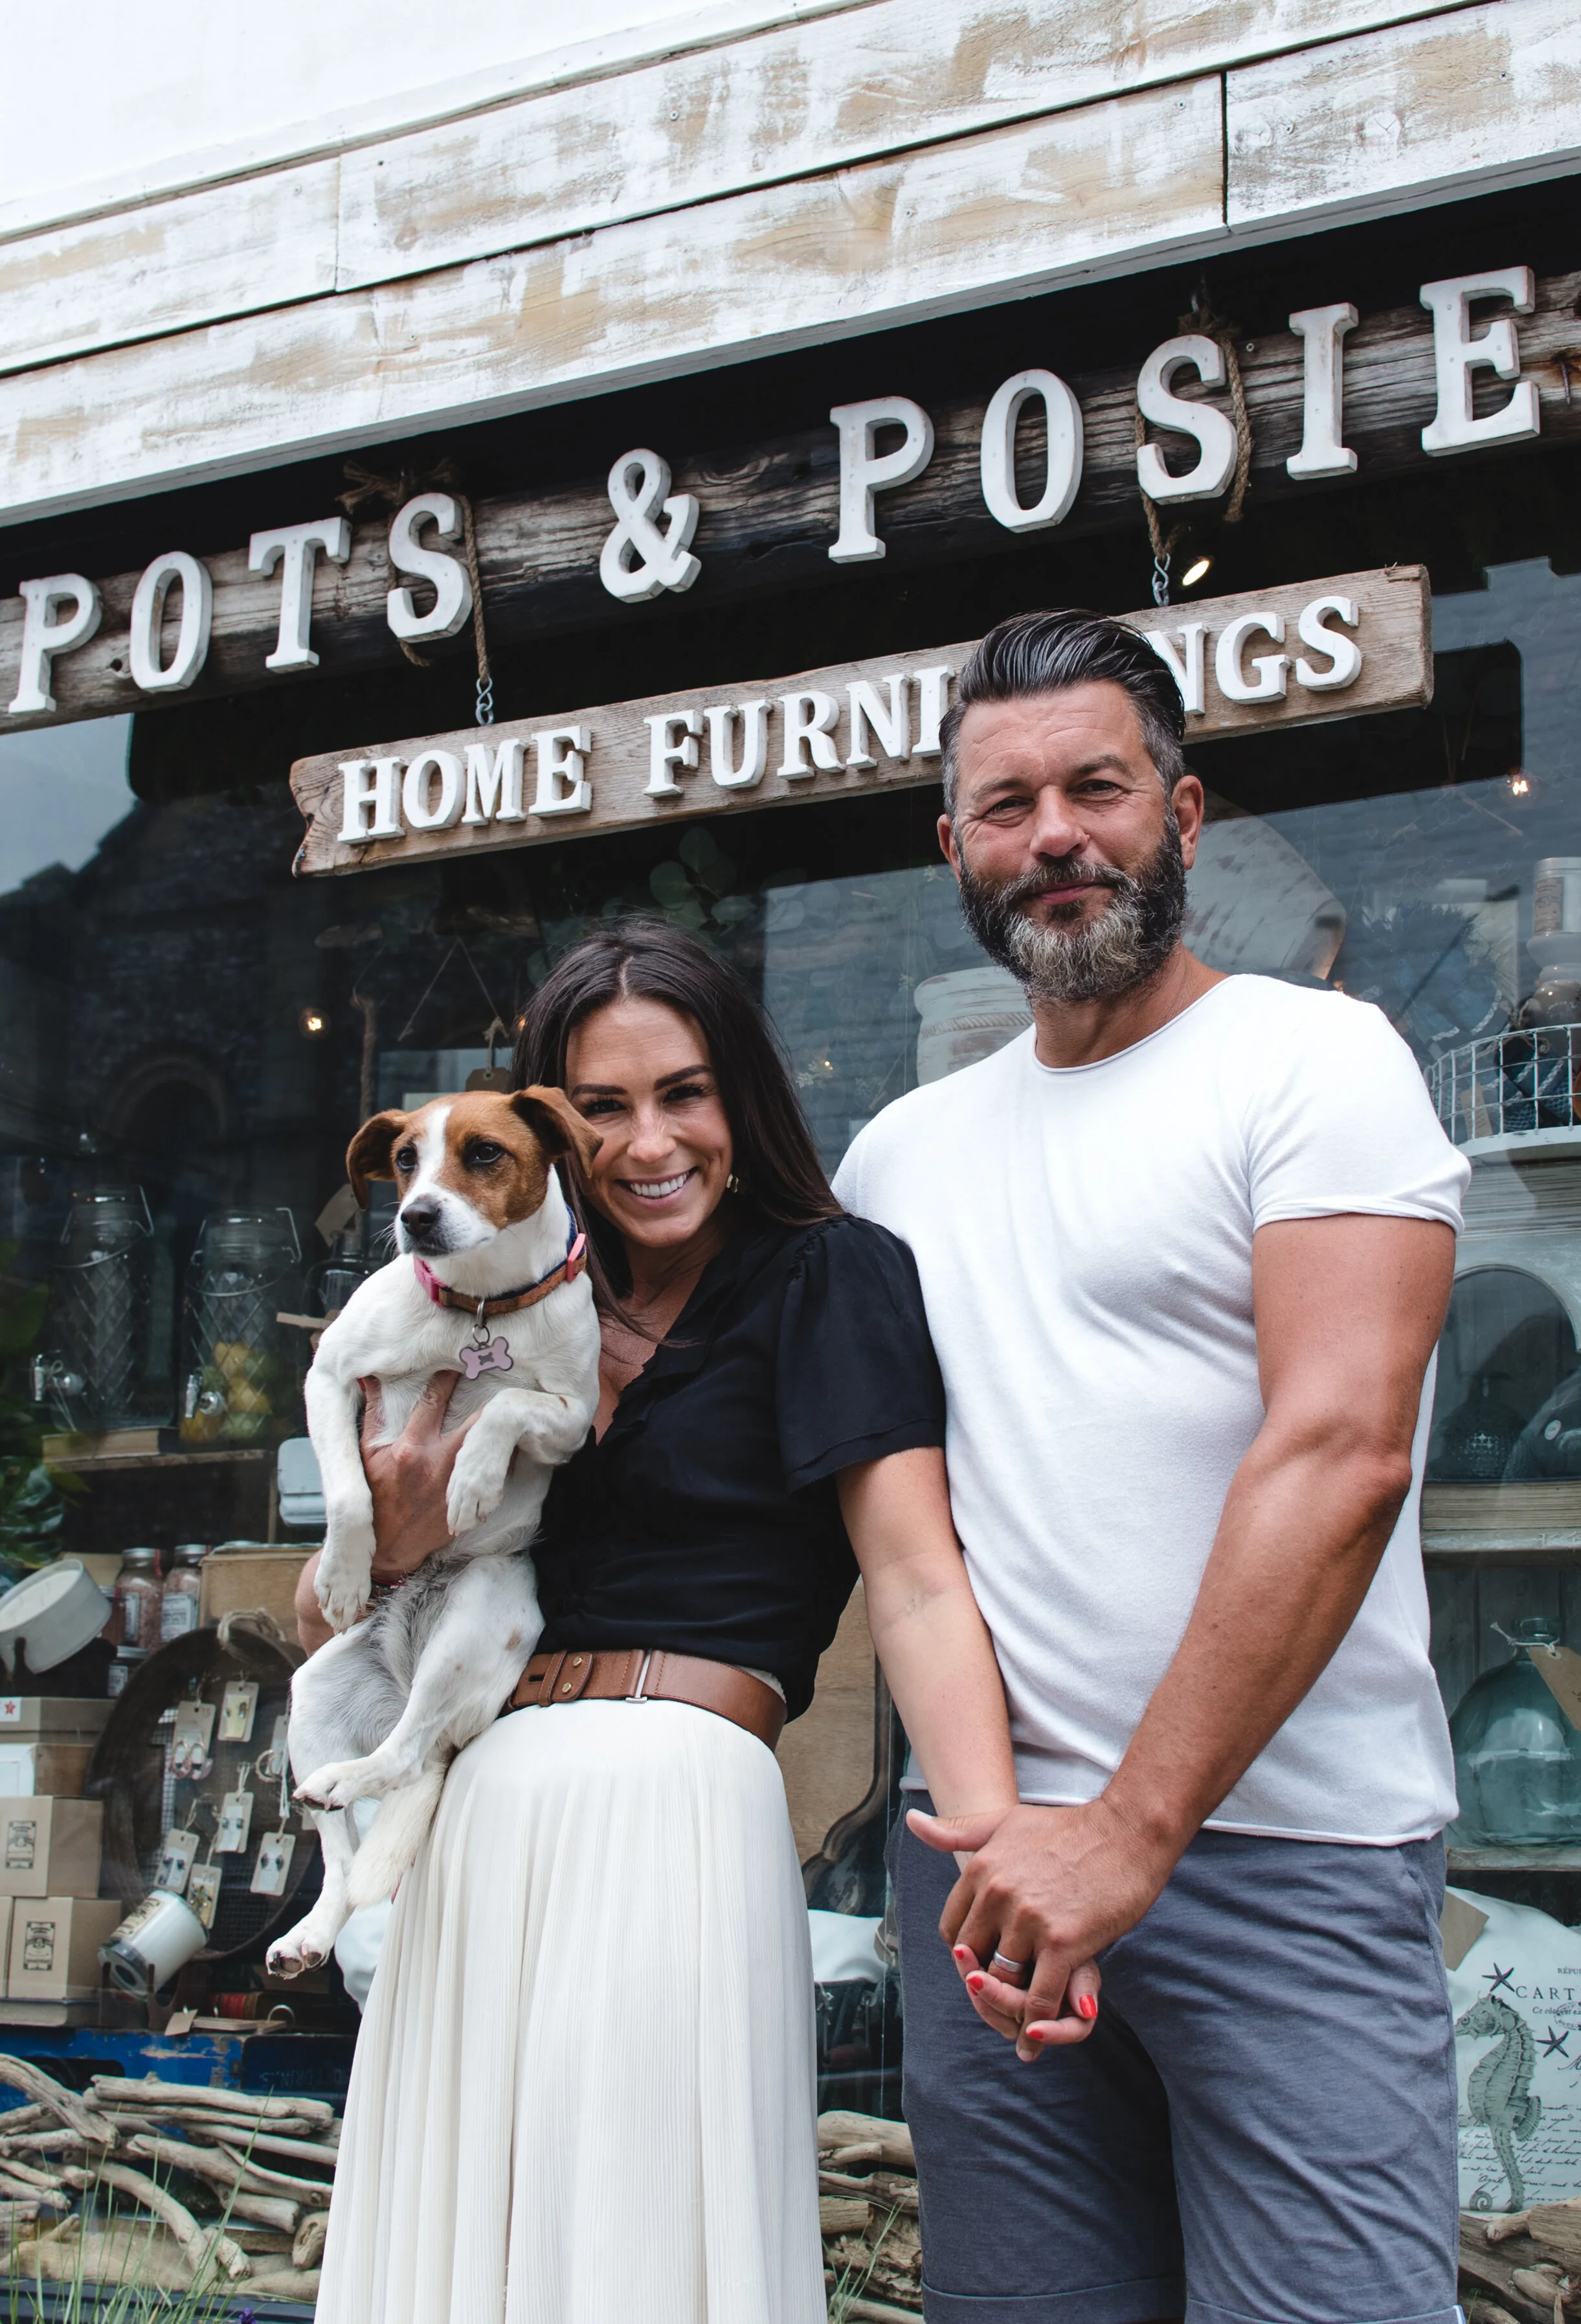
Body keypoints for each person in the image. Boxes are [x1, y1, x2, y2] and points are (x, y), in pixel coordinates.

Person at [835, 609, 1470, 2324]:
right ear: (952, 847)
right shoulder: (896, 1158)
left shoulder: (1311, 1059)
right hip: (987, 1873)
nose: (1053, 834)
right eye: (1005, 803)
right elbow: (896, 1537)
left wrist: (1129, 1830)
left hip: (1284, 1851)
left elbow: (1340, 1452)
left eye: (1096, 788)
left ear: (1180, 814)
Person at [305, 920, 1024, 2324]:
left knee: (634, 2253)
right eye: (604, 1106)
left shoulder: (828, 1275)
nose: (647, 1143)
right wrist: (391, 1525)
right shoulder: (492, 1301)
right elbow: (328, 1613)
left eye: (682, 1093)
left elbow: (917, 1581)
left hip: (673, 1800)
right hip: (476, 1812)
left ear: (739, 1096)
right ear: (550, 1132)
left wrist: (993, 1852)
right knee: (459, 2274)